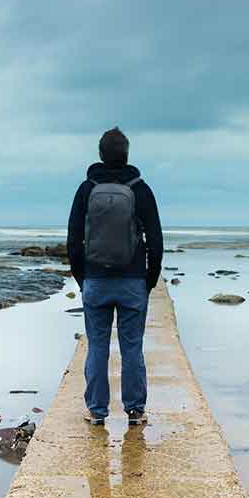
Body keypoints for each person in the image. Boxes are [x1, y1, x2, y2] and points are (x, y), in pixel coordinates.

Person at [67, 127, 163, 426]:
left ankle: (97, 412)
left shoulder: (86, 189)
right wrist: (149, 280)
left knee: (97, 346)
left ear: (100, 154)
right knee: (131, 347)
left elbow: (73, 241)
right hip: (133, 280)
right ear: (126, 155)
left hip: (95, 280)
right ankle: (135, 411)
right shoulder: (140, 189)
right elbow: (157, 242)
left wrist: (83, 279)